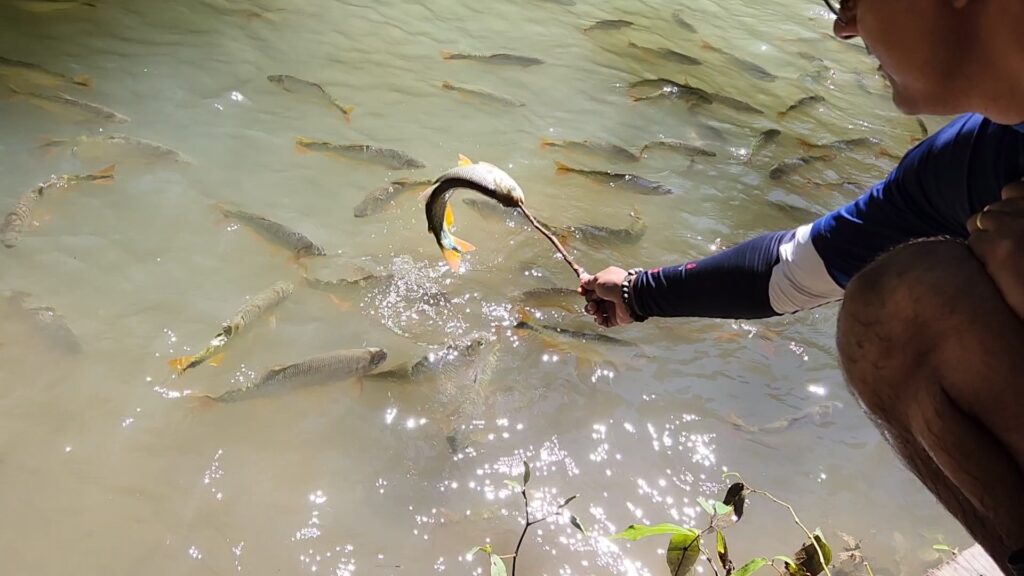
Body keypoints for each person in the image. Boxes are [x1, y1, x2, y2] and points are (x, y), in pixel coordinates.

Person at [578, 0, 1024, 572]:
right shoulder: (972, 160)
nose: (844, 26)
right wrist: (640, 293)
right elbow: (791, 268)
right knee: (888, 315)